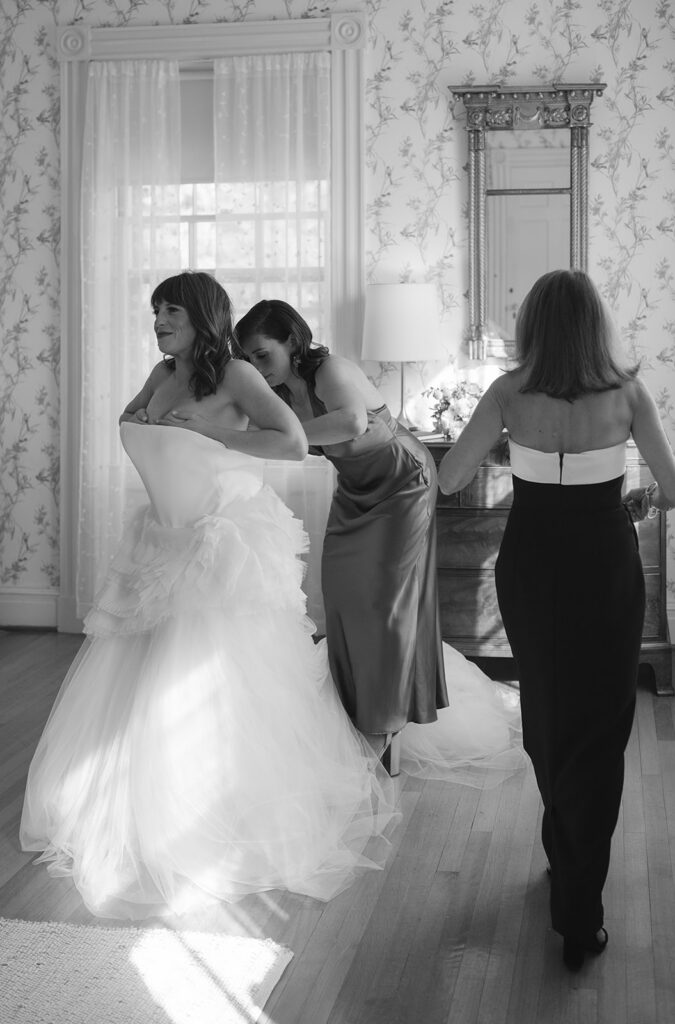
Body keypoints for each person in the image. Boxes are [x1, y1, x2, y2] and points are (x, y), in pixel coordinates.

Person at [20, 272, 399, 920]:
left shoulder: (234, 378)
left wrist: (218, 438)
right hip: (162, 536)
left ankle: (202, 812)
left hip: (214, 542)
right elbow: (139, 423)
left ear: (202, 316)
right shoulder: (161, 371)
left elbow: (293, 439)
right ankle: (133, 801)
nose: (159, 319)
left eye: (171, 310)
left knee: (201, 677)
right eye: (155, 310)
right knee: (135, 672)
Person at [437, 268, 675, 970]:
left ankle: (565, 850)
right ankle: (578, 909)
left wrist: (510, 442)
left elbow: (450, 478)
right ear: (594, 325)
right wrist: (639, 502)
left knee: (545, 712)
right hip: (603, 557)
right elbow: (673, 484)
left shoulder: (508, 392)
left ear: (534, 327)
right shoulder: (627, 394)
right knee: (599, 723)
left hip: (532, 560)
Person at [235, 298, 526, 782]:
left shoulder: (331, 371)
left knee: (387, 606)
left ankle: (383, 728)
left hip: (403, 487)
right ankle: (356, 713)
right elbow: (255, 432)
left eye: (262, 354)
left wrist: (284, 433)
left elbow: (349, 422)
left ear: (291, 341)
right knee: (345, 601)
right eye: (247, 360)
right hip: (355, 493)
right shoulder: (280, 395)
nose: (256, 368)